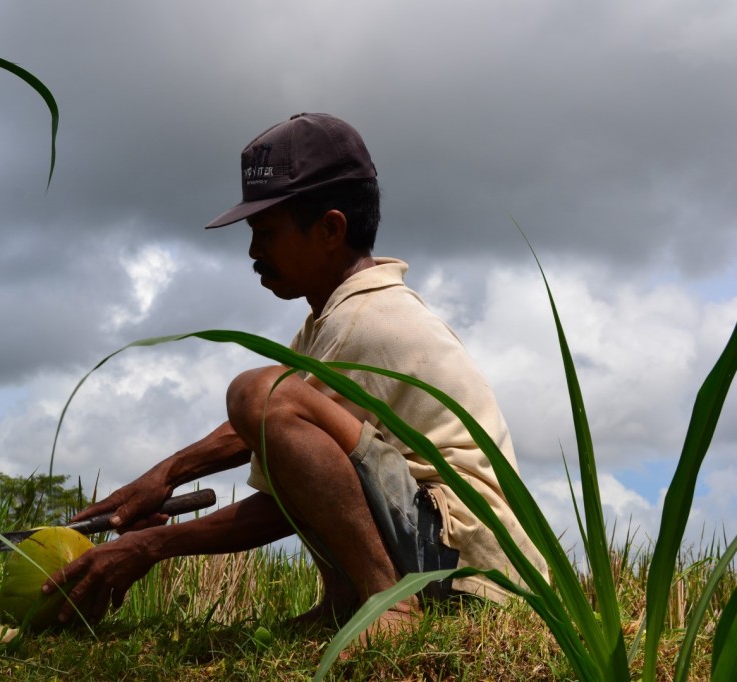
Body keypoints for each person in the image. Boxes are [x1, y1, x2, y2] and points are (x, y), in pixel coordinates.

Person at [42, 112, 548, 641]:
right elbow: (266, 429)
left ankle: (389, 605)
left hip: (462, 559)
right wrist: (162, 478)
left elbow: (287, 466)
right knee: (265, 396)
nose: (253, 252)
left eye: (266, 232)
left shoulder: (368, 324)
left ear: (330, 228)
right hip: (442, 545)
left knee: (255, 390)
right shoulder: (336, 317)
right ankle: (345, 600)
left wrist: (151, 545)